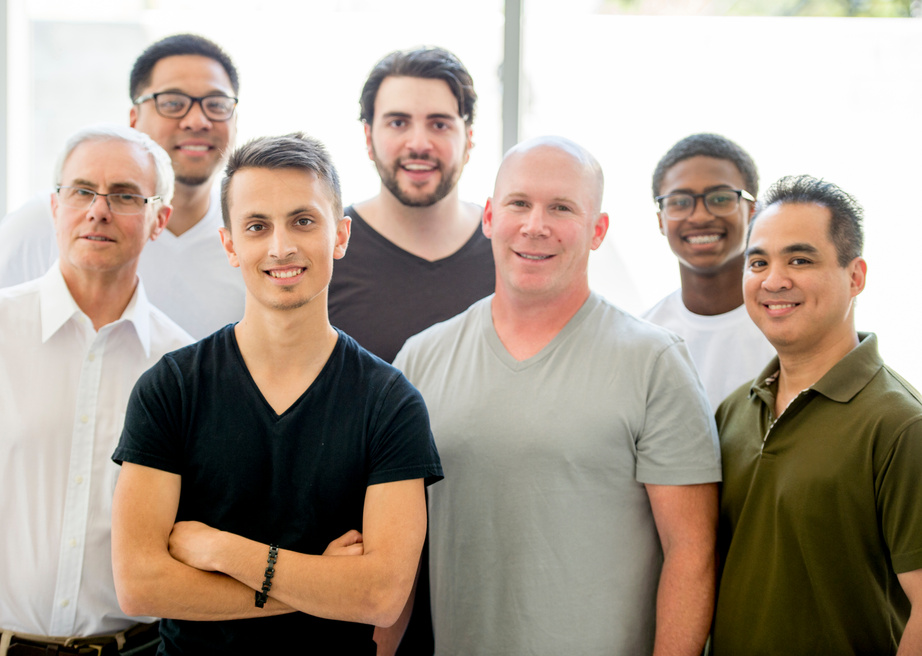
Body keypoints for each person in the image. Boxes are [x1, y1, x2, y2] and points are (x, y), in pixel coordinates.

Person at [110, 133, 443, 655]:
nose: (280, 247)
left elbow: (380, 595)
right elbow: (139, 584)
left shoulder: (390, 403)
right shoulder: (171, 388)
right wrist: (320, 586)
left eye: (303, 221)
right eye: (257, 226)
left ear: (341, 235)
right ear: (230, 245)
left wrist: (224, 550)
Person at [393, 136, 721, 655]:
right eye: (519, 203)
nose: (535, 225)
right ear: (489, 217)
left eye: (561, 208)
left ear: (597, 231)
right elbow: (395, 554)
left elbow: (693, 553)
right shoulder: (419, 360)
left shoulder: (654, 363)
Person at [0, 124, 192, 656]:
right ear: (55, 206)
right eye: (81, 191)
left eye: (124, 195)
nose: (98, 210)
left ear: (159, 220)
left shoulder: (182, 367)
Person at [712, 175, 922, 655]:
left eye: (800, 260)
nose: (773, 279)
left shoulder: (901, 425)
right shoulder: (734, 410)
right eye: (758, 261)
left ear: (856, 277)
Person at [0, 33, 244, 340]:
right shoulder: (47, 223)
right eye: (172, 103)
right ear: (134, 119)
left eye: (217, 105)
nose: (197, 120)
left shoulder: (250, 241)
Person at [329, 46, 495, 363]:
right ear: (368, 138)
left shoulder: (509, 247)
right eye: (398, 123)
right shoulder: (327, 250)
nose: (419, 144)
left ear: (469, 139)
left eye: (439, 124)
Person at [643, 133, 774, 409]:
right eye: (679, 201)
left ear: (753, 211)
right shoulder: (643, 338)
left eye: (720, 198)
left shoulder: (787, 329)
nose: (700, 216)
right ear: (661, 220)